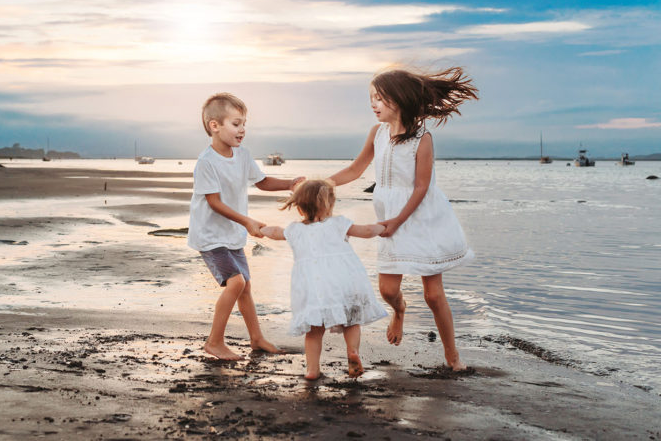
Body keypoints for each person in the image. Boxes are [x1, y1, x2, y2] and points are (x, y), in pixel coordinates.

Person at [328, 67, 478, 371]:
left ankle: (452, 356)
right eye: (372, 98)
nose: (373, 104)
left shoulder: (422, 139)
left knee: (434, 295)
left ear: (399, 100)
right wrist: (321, 183)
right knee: (387, 290)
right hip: (390, 220)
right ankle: (399, 311)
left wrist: (398, 221)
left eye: (379, 98)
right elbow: (355, 170)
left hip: (423, 219)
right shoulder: (377, 133)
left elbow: (422, 187)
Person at [188, 92, 304, 361]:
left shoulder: (242, 155)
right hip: (210, 235)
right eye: (236, 124)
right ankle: (214, 341)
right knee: (235, 282)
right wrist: (247, 220)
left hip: (233, 235)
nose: (243, 130)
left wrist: (289, 184)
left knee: (246, 286)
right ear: (215, 126)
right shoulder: (206, 162)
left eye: (244, 124)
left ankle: (256, 338)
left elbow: (261, 182)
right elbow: (214, 202)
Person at [261, 179, 388, 380]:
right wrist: (383, 227)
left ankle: (312, 369)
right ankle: (352, 352)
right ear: (329, 205)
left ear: (300, 209)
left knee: (313, 330)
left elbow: (275, 232)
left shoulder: (295, 230)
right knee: (351, 320)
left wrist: (261, 229)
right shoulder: (339, 224)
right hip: (344, 282)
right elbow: (366, 231)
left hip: (313, 286)